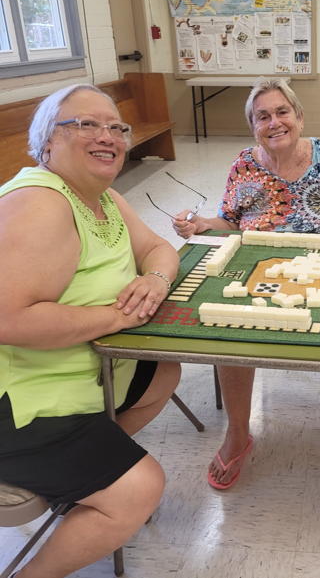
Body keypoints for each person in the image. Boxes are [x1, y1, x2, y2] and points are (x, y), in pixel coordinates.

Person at [173, 77, 320, 489]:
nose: (274, 122)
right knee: (228, 326)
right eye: (263, 116)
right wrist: (205, 225)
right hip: (262, 264)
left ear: (299, 117)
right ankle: (239, 432)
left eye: (282, 112)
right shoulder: (244, 163)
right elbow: (232, 221)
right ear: (252, 126)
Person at [0, 84, 181, 576]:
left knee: (163, 371)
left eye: (115, 127)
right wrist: (121, 315)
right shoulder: (40, 203)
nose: (108, 136)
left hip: (83, 373)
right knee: (142, 488)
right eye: (85, 124)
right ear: (46, 144)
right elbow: (9, 319)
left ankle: (82, 484)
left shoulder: (101, 197)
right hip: (21, 403)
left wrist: (155, 280)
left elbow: (160, 248)